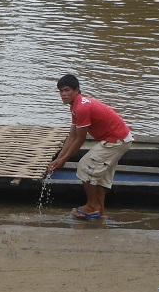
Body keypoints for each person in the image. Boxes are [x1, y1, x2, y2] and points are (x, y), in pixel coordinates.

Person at [46, 74, 133, 219]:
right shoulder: (76, 106)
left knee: (85, 168)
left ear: (77, 90)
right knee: (98, 177)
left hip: (115, 140)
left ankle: (92, 207)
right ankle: (102, 214)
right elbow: (72, 136)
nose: (63, 94)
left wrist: (64, 160)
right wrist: (59, 158)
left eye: (67, 90)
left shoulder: (81, 108)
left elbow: (80, 139)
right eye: (60, 91)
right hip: (119, 139)